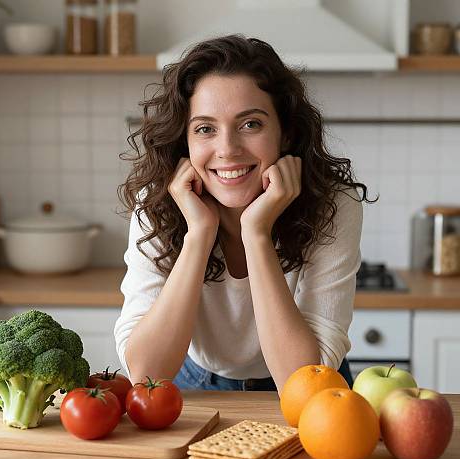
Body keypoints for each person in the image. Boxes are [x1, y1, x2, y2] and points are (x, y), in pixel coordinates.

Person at [114, 34, 373, 394]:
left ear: (285, 133)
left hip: (313, 379)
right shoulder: (156, 203)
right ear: (184, 141)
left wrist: (256, 232)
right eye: (205, 128)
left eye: (250, 124)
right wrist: (199, 234)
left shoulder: (334, 204)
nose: (228, 149)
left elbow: (303, 384)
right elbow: (146, 375)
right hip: (193, 381)